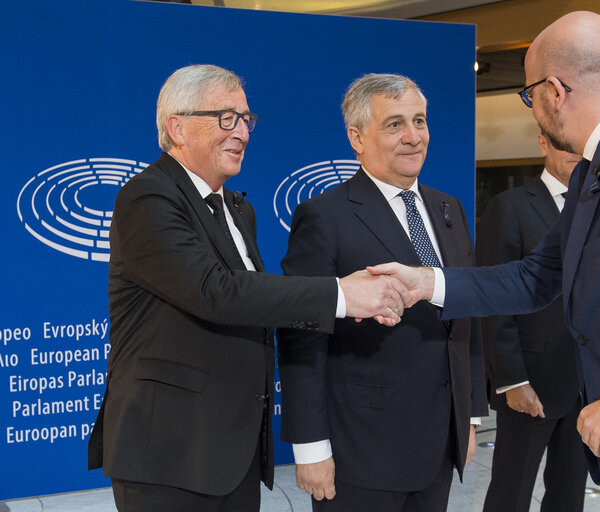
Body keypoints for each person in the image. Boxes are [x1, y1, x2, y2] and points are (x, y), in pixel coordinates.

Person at [370, 11, 600, 512]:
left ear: (554, 91)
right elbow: (536, 276)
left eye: (528, 96)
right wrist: (426, 283)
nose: (533, 112)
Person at [87, 64, 409, 512]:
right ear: (177, 127)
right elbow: (214, 291)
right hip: (167, 453)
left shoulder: (239, 210)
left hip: (231, 451)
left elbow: (253, 303)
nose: (242, 131)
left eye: (246, 119)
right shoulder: (147, 196)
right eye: (226, 118)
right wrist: (341, 295)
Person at [275, 73, 487, 512]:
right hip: (362, 452)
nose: (413, 137)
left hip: (439, 443)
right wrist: (311, 447)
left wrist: (469, 415)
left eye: (420, 121)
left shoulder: (450, 209)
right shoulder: (324, 216)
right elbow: (301, 334)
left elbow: (467, 315)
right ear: (357, 137)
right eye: (395, 124)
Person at [477, 132, 586, 512]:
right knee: (512, 491)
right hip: (531, 382)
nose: (574, 153)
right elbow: (493, 300)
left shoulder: (598, 207)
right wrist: (512, 380)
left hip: (587, 384)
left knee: (569, 494)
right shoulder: (510, 208)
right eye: (564, 144)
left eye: (581, 145)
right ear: (543, 144)